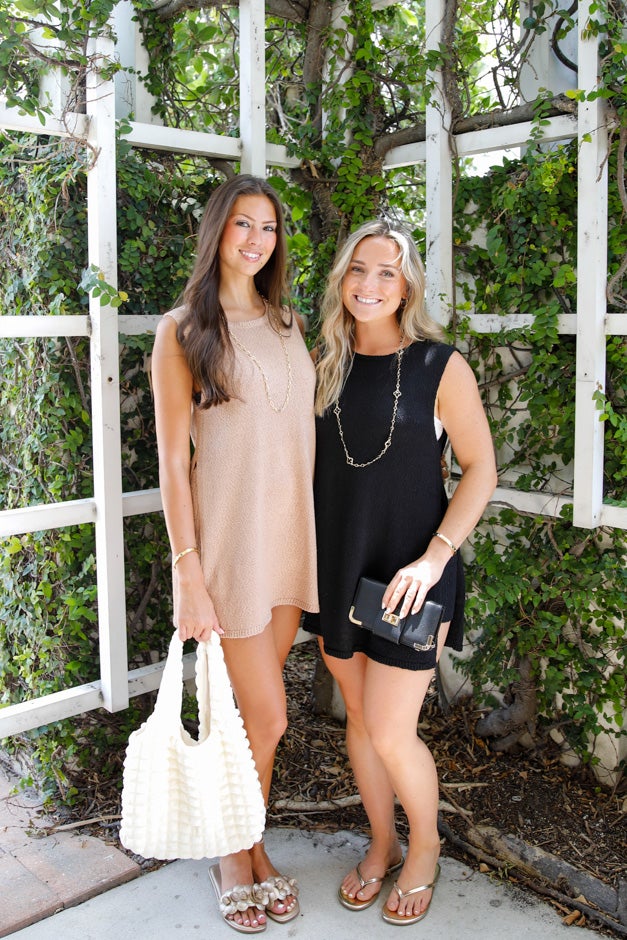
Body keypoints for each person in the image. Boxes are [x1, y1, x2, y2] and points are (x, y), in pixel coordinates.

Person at [304, 219, 497, 926]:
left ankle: (426, 848)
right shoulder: (321, 362)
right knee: (359, 719)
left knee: (390, 729)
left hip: (414, 574)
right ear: (341, 279)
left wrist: (436, 556)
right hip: (337, 568)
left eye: (387, 271)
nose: (370, 284)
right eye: (358, 269)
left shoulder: (439, 367)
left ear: (407, 285)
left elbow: (480, 469)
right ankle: (382, 844)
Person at [151, 174, 318, 934]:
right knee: (269, 719)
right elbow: (171, 461)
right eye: (243, 224)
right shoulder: (182, 330)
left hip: (289, 541)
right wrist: (187, 569)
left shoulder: (288, 323)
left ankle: (249, 847)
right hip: (229, 547)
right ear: (217, 230)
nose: (256, 240)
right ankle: (233, 855)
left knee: (256, 720)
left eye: (268, 227)